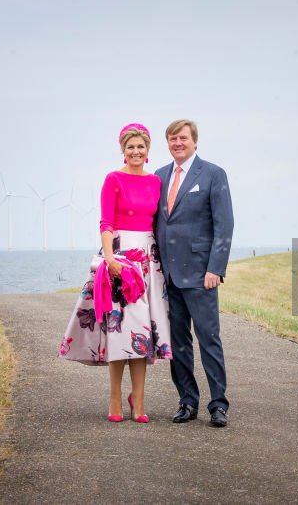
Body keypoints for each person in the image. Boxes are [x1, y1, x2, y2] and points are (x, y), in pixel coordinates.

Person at [58, 123, 172, 423]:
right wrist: (109, 258)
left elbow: (158, 223)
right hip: (119, 257)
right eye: (130, 146)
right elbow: (106, 222)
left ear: (148, 150)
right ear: (123, 149)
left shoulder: (156, 182)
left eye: (141, 147)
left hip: (148, 260)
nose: (136, 151)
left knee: (142, 332)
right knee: (119, 330)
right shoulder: (113, 179)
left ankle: (139, 400)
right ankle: (114, 398)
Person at [153, 119, 234, 427]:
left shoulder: (213, 174)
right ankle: (187, 401)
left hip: (202, 275)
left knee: (208, 339)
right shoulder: (159, 177)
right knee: (178, 343)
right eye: (172, 139)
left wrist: (216, 267)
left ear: (194, 141)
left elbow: (224, 224)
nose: (177, 143)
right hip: (168, 276)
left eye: (183, 138)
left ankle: (218, 404)